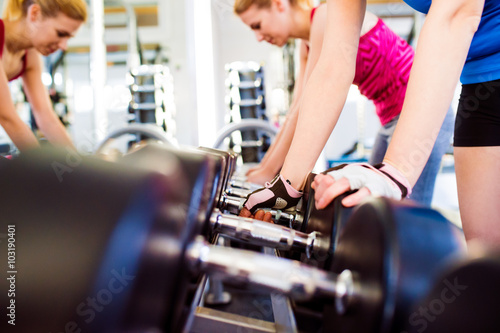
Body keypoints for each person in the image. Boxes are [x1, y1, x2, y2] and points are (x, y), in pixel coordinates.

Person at [243, 0, 500, 249]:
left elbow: (457, 13)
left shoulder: (318, 18)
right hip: (477, 84)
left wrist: (396, 173)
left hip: (426, 108)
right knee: (486, 256)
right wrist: (287, 186)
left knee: (403, 232)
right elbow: (333, 68)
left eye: (256, 25)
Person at [235, 0, 453, 209]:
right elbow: (296, 110)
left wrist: (273, 176)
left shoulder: (323, 17)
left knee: (404, 216)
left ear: (278, 4)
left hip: (424, 116)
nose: (258, 37)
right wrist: (265, 170)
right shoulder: (306, 42)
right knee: (370, 209)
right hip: (390, 120)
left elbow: (306, 106)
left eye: (257, 25)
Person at [0, 0, 87, 152]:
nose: (63, 46)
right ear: (34, 14)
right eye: (61, 34)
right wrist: (42, 169)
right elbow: (7, 117)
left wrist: (77, 163)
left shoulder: (30, 55)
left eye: (68, 38)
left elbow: (46, 117)